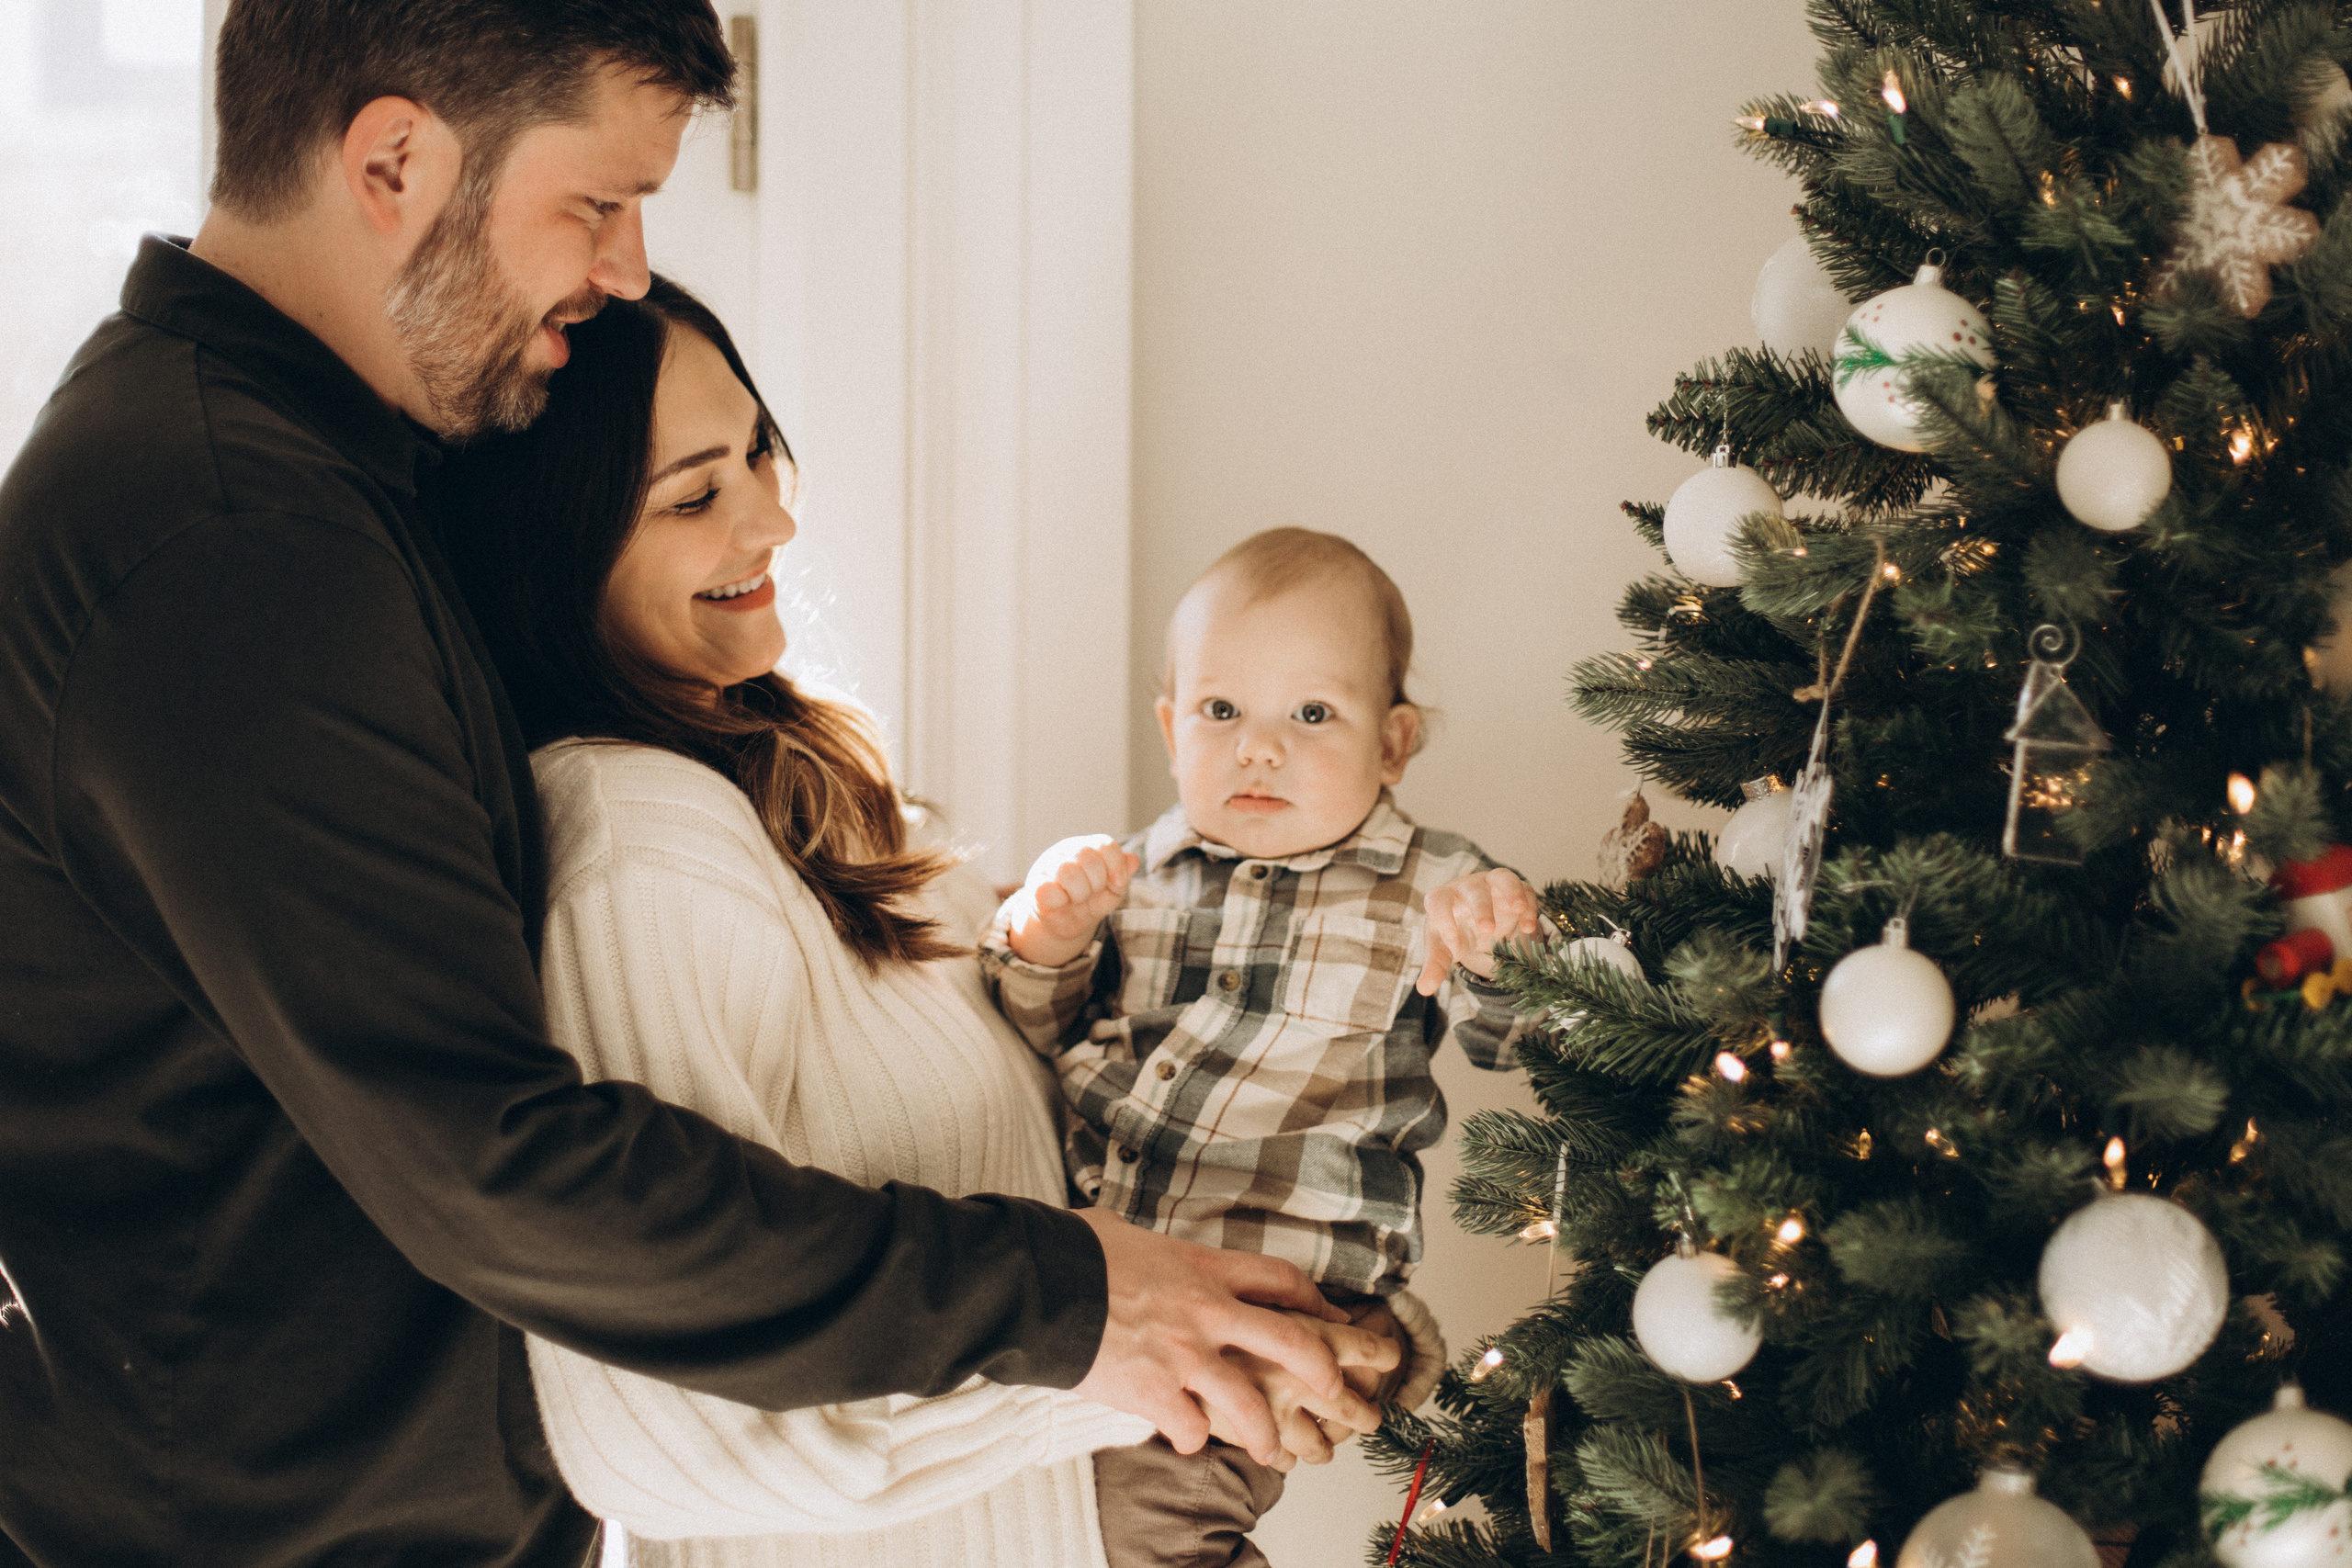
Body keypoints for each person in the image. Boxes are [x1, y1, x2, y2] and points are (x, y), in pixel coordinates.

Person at [0, 6, 1350, 1565]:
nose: (629, 268)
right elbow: (490, 1159)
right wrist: (1070, 1304)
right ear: (392, 160)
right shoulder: (228, 538)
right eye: (594, 204)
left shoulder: (311, 488)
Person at [432, 277, 1396, 1568]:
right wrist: (1131, 1355)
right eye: (692, 495)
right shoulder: (634, 841)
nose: (770, 516)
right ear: (557, 546)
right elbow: (668, 1436)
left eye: (761, 451)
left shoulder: (801, 785)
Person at [980, 528, 1545, 1566]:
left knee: (1151, 1522)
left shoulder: (1433, 884)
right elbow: (1041, 1032)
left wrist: (1504, 950)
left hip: (1288, 1292)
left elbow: (1525, 1044)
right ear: (1169, 726)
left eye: (1312, 713)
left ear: (1393, 743)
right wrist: (1045, 939)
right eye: (1221, 711)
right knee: (1037, 1506)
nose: (1258, 746)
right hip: (1111, 1275)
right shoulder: (1136, 871)